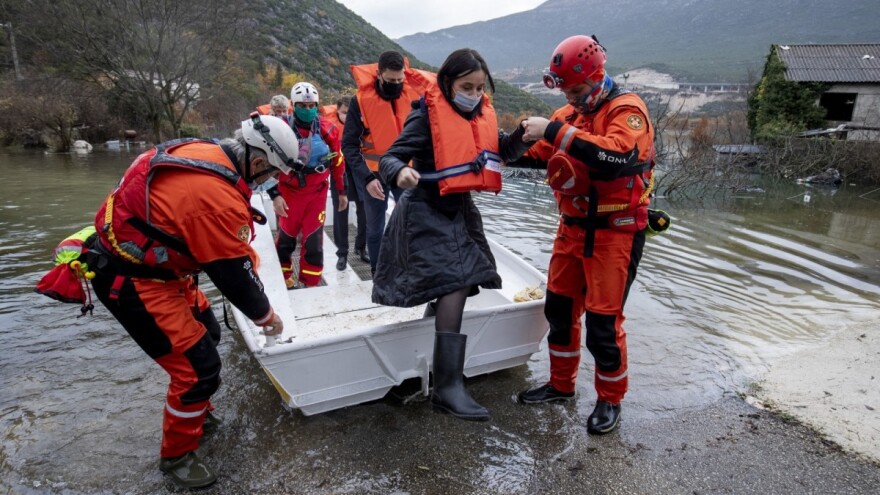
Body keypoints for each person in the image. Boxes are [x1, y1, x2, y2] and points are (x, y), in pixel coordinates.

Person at [85, 115, 298, 488]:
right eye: (270, 175)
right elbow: (234, 276)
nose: (269, 183)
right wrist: (268, 317)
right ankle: (177, 456)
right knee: (199, 369)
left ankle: (195, 409)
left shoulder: (206, 151)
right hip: (133, 280)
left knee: (208, 330)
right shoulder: (214, 199)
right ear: (258, 162)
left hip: (161, 271)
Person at [373, 48, 533, 421]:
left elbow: (501, 151)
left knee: (457, 279)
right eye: (466, 86)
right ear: (447, 83)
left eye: (480, 88)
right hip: (424, 211)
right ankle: (447, 387)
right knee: (455, 281)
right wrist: (398, 173)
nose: (474, 94)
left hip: (458, 209)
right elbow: (390, 157)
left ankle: (435, 367)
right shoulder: (427, 115)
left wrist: (524, 137)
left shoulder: (480, 114)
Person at [510, 35, 656, 435]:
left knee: (603, 327)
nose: (572, 99)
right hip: (571, 230)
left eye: (576, 90)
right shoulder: (570, 115)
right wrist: (502, 144)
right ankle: (561, 385)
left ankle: (610, 401)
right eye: (566, 92)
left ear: (597, 76)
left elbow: (616, 157)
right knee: (558, 311)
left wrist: (555, 131)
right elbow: (535, 155)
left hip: (615, 233)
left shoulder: (628, 111)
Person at [342, 50, 428, 273]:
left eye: (400, 80)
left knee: (412, 223)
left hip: (404, 172)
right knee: (375, 229)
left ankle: (408, 268)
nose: (397, 84)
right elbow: (349, 146)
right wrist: (367, 179)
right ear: (379, 75)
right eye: (391, 81)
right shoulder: (359, 102)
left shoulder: (416, 96)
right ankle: (378, 274)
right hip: (374, 175)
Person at [269, 82, 347, 288]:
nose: (307, 109)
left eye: (311, 105)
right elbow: (264, 165)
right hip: (289, 193)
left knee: (313, 241)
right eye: (302, 106)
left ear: (317, 105)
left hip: (317, 194)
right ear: (293, 106)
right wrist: (274, 195)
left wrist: (341, 192)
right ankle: (285, 276)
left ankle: (311, 281)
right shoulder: (280, 129)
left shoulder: (327, 129)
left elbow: (338, 161)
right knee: (286, 239)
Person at [322, 95, 367, 269]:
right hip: (339, 173)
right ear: (337, 111)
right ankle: (342, 253)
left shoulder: (362, 127)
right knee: (341, 213)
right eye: (344, 113)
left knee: (364, 212)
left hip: (360, 171)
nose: (347, 117)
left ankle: (361, 248)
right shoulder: (329, 130)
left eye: (350, 113)